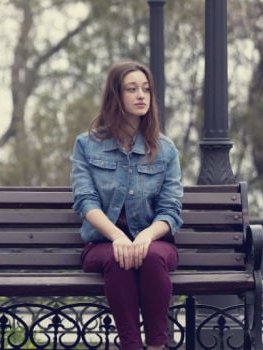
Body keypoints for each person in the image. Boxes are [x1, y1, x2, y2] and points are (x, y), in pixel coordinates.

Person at [70, 61, 183, 350]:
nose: (141, 95)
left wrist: (145, 236)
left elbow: (170, 210)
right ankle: (131, 346)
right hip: (103, 244)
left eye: (146, 89)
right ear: (115, 96)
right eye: (132, 89)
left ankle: (157, 346)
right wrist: (118, 236)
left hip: (154, 243)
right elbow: (86, 201)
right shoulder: (87, 145)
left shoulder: (166, 149)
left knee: (151, 256)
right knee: (118, 259)